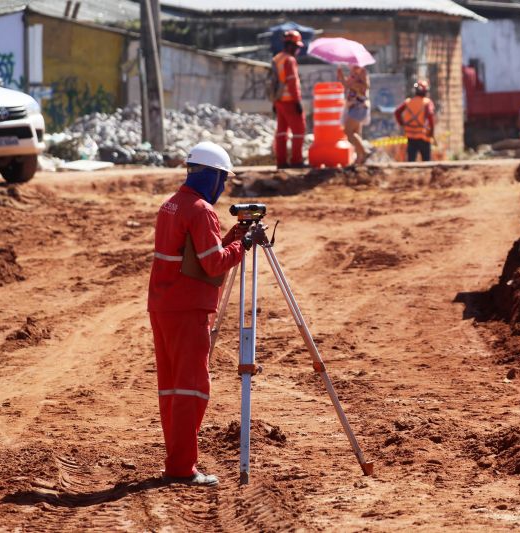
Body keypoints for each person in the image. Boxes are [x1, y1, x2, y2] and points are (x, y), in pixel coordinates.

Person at [148, 142, 248, 486]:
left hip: (164, 306)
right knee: (191, 388)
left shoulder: (172, 205)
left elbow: (196, 256)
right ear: (214, 177)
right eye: (223, 180)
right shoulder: (201, 210)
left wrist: (233, 238)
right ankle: (181, 468)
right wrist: (242, 246)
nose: (223, 188)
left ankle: (176, 459)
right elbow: (213, 262)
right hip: (187, 309)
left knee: (173, 388)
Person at [272, 30, 306, 168]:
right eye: (297, 47)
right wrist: (298, 102)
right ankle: (296, 161)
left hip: (279, 101)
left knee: (281, 132)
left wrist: (274, 101)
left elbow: (274, 81)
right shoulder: (290, 60)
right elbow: (291, 83)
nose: (298, 50)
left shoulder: (277, 58)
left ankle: (281, 162)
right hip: (290, 101)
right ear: (292, 45)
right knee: (299, 130)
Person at [394, 80, 435, 162]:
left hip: (410, 135)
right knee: (426, 161)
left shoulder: (408, 102)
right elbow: (430, 116)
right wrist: (431, 131)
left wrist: (402, 124)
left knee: (411, 161)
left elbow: (397, 112)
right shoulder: (427, 102)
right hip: (423, 136)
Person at [337, 65, 371, 165]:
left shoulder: (362, 72)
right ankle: (360, 159)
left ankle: (364, 151)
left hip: (359, 106)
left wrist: (355, 82)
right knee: (355, 133)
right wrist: (341, 76)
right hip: (353, 107)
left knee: (348, 131)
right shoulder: (353, 73)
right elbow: (347, 85)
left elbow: (365, 87)